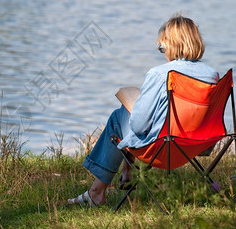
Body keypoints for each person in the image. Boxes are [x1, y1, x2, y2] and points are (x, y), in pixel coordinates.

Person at [67, 14, 220, 207]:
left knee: (120, 117)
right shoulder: (212, 75)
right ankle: (126, 173)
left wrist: (134, 108)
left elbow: (139, 126)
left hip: (163, 148)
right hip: (197, 144)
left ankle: (97, 192)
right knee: (135, 114)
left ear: (171, 45)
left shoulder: (159, 74)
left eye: (162, 47)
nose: (163, 52)